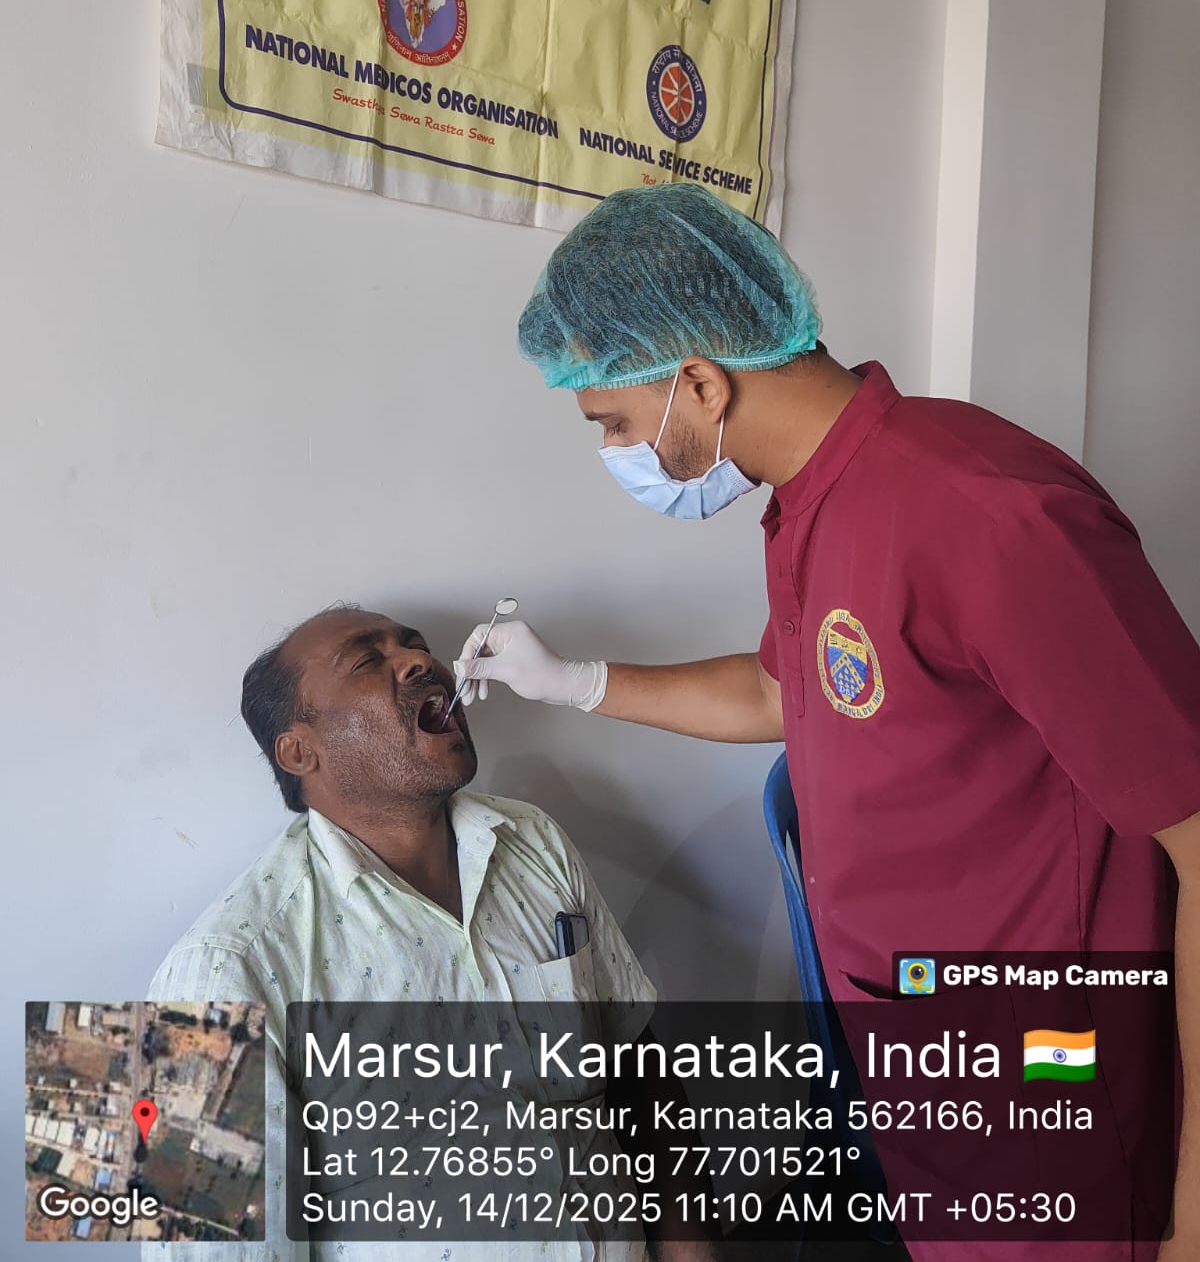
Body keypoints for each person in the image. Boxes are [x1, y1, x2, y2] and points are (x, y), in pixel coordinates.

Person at [453, 181, 1200, 1262]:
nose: (613, 450)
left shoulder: (987, 513)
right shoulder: (811, 500)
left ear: (700, 382)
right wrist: (577, 682)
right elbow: (780, 692)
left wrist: (1192, 1217)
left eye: (612, 421)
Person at [143, 604, 664, 1262]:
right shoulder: (215, 972)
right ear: (300, 750)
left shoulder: (533, 838)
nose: (421, 661)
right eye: (368, 660)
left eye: (414, 645)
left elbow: (641, 1071)